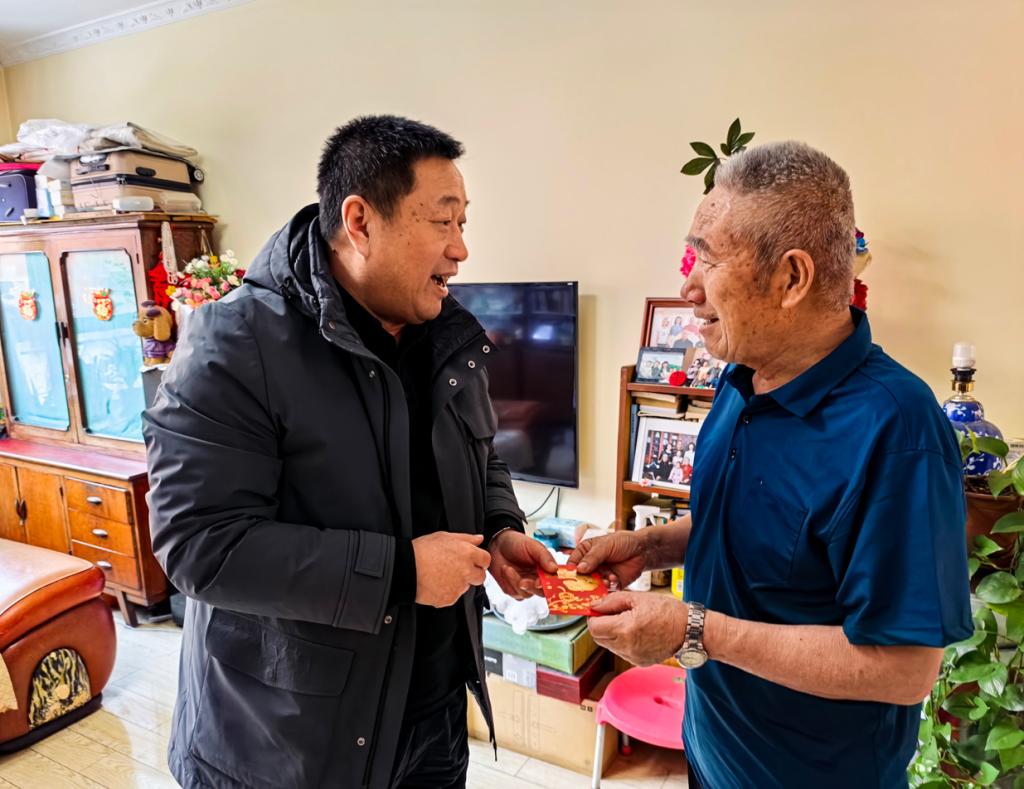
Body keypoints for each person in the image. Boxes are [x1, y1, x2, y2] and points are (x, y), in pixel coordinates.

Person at [144, 115, 557, 789]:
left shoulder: (446, 334)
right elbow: (200, 544)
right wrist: (400, 573)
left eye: (463, 222)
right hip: (288, 744)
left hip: (433, 719)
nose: (461, 250)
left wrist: (501, 528)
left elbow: (480, 456)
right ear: (360, 221)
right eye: (442, 222)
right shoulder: (235, 343)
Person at [571, 141, 972, 788]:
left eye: (707, 258)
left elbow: (904, 669)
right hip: (711, 754)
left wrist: (695, 631)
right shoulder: (739, 381)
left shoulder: (896, 429)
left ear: (791, 278)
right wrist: (648, 547)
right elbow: (755, 530)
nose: (688, 287)